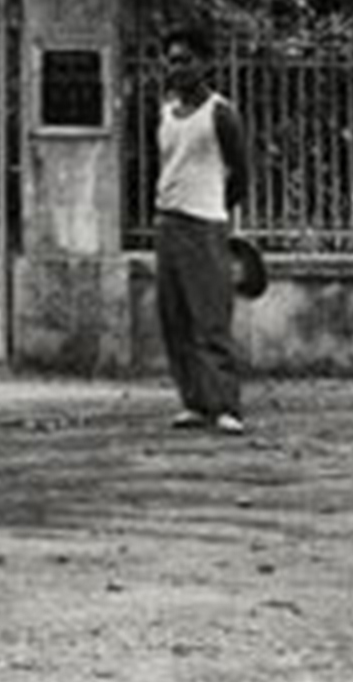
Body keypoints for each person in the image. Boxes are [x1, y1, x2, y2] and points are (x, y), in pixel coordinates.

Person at [153, 29, 253, 437]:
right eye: (172, 60)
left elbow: (241, 173)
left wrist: (215, 212)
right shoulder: (165, 112)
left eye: (185, 60)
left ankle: (226, 405)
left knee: (210, 319)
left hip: (204, 224)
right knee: (174, 319)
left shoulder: (220, 113)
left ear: (205, 63)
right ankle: (193, 401)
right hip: (167, 222)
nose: (177, 68)